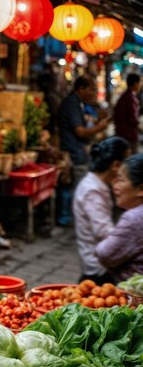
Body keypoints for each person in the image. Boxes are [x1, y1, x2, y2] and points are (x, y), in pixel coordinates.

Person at [73, 137, 131, 285]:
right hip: (98, 268)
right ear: (116, 165)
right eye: (127, 163)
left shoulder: (98, 184)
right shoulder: (92, 190)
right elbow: (103, 231)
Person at [56, 76, 110, 226]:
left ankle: (70, 217)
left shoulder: (79, 104)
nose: (94, 93)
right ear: (81, 89)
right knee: (74, 186)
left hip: (77, 149)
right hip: (73, 149)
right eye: (91, 89)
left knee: (73, 185)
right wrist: (101, 127)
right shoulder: (72, 104)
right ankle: (68, 217)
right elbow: (80, 131)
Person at [95, 153, 143, 282]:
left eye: (121, 180)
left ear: (140, 189)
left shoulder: (134, 218)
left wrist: (109, 238)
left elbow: (105, 254)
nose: (115, 186)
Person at [113, 73, 141, 153]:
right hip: (129, 136)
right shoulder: (130, 98)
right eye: (139, 83)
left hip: (122, 134)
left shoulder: (125, 96)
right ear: (135, 84)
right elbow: (133, 120)